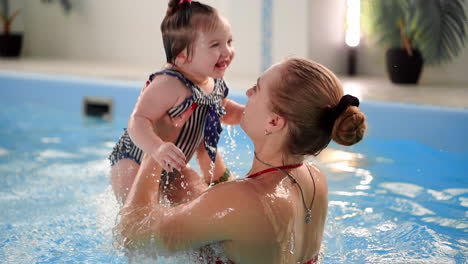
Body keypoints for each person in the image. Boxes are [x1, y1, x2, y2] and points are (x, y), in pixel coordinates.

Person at [115, 58, 367, 263]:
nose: (247, 93)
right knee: (186, 179)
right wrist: (205, 152)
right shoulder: (314, 179)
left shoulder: (239, 200)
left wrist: (157, 147)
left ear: (274, 122)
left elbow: (132, 238)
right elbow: (245, 205)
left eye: (256, 89)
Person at [108, 0, 244, 203]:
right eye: (215, 45)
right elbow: (138, 119)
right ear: (182, 57)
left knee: (202, 204)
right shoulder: (168, 84)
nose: (227, 51)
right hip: (134, 160)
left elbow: (223, 108)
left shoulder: (210, 80)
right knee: (140, 219)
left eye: (229, 41)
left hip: (173, 164)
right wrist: (156, 147)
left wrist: (246, 114)